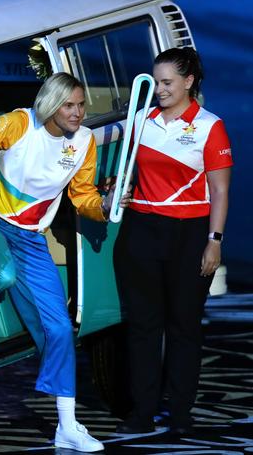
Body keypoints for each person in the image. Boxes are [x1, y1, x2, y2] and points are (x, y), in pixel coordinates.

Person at [0, 72, 111, 452]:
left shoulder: (84, 142)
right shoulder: (20, 122)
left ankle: (67, 426)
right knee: (3, 274)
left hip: (31, 239)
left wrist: (103, 205)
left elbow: (82, 196)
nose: (78, 112)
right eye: (69, 105)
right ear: (50, 105)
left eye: (81, 104)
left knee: (61, 329)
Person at [113, 47, 233, 436]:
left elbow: (220, 190)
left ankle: (180, 411)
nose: (160, 89)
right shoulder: (140, 122)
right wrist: (119, 188)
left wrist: (214, 241)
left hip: (190, 235)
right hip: (141, 232)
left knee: (183, 327)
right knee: (143, 327)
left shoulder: (210, 126)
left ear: (188, 82)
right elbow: (126, 174)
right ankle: (143, 411)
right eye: (156, 81)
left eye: (167, 83)